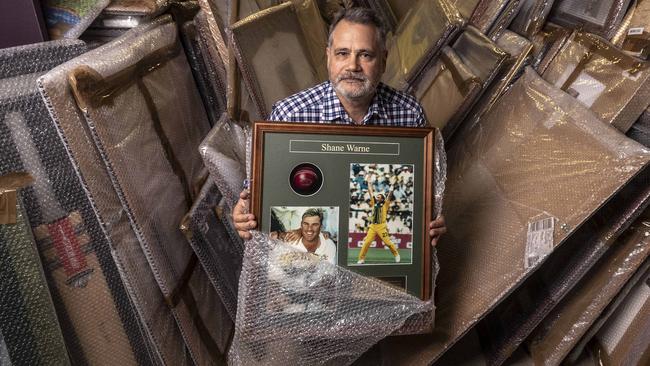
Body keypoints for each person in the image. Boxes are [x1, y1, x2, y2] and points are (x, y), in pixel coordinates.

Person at [234, 6, 447, 245]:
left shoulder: (409, 115)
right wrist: (244, 211)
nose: (353, 66)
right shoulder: (289, 116)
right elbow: (255, 196)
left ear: (384, 60)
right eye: (343, 53)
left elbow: (422, 199)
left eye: (365, 55)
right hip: (312, 264)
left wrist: (432, 222)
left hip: (378, 261)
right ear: (328, 57)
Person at [357, 173, 401, 264]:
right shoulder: (373, 203)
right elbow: (370, 192)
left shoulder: (385, 204)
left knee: (388, 243)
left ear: (382, 198)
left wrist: (392, 185)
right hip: (373, 226)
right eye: (377, 196)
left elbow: (389, 195)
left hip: (381, 226)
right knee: (366, 242)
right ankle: (361, 259)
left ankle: (396, 255)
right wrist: (369, 182)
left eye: (379, 196)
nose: (377, 197)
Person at [271, 208, 337, 265]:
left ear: (321, 227)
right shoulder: (290, 242)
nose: (309, 228)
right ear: (301, 225)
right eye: (306, 224)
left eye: (315, 225)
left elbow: (329, 273)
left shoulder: (329, 246)